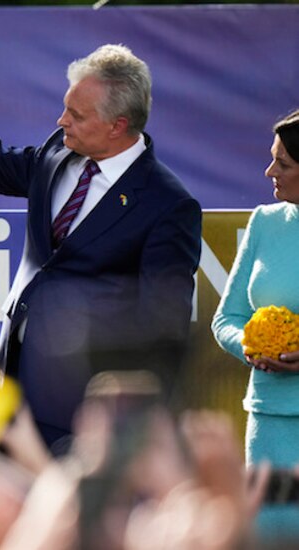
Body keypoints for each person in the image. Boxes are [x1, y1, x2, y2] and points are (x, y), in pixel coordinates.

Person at [0, 41, 202, 450]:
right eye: (66, 107)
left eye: (76, 114)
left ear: (117, 125)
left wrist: (124, 429)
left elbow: (165, 327)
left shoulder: (168, 204)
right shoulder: (57, 153)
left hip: (82, 416)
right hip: (11, 393)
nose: (61, 120)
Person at [211, 108, 299, 542]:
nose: (269, 171)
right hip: (268, 422)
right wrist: (249, 347)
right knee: (268, 537)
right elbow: (226, 318)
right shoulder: (265, 222)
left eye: (283, 163)